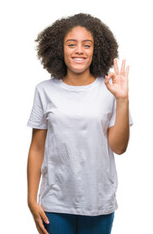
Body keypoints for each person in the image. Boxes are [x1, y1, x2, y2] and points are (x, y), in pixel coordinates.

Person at [27, 13, 130, 234]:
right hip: (55, 202)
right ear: (59, 49)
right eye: (71, 44)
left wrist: (122, 100)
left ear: (97, 50)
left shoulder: (110, 90)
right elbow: (36, 148)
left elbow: (119, 147)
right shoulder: (44, 90)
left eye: (87, 45)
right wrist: (31, 200)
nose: (79, 50)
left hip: (98, 202)